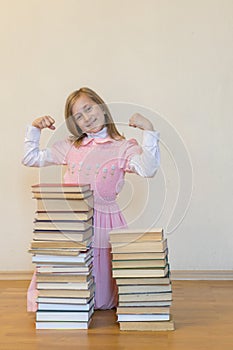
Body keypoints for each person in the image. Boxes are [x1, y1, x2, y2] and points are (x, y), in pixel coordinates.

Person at [22, 87, 160, 310]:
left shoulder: (123, 147)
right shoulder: (70, 147)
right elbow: (30, 158)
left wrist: (149, 131)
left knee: (102, 296)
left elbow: (148, 169)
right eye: (78, 115)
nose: (86, 117)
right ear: (75, 123)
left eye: (89, 108)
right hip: (72, 221)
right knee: (67, 286)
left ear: (102, 108)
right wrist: (35, 129)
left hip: (106, 222)